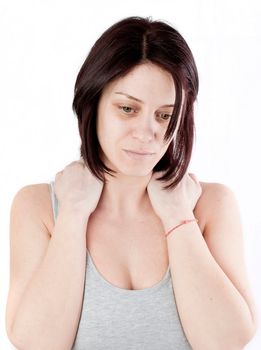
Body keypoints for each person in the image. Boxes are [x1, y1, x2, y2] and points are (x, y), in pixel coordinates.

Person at [5, 16, 258, 350]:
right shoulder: (38, 207)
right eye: (127, 109)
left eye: (164, 115)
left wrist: (178, 217)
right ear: (92, 104)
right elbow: (38, 343)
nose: (147, 133)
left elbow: (226, 341)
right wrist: (74, 214)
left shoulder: (210, 205)